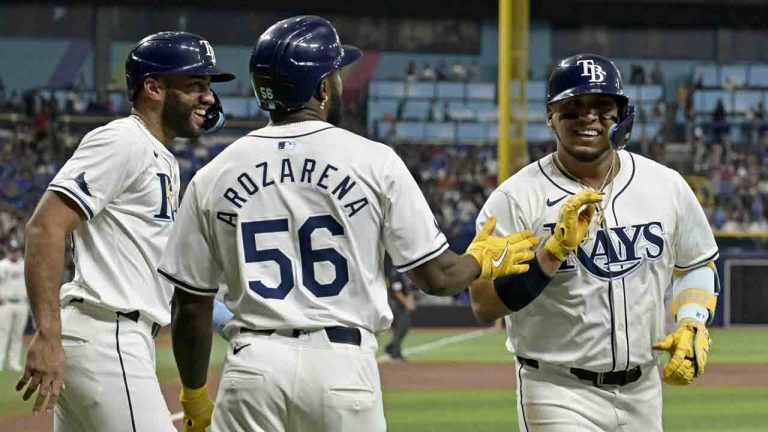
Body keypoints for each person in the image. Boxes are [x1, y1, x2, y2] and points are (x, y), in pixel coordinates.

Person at [158, 15, 539, 432]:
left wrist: (194, 396)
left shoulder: (215, 173)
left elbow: (191, 305)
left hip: (253, 368)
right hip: (340, 367)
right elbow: (438, 276)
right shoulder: (373, 161)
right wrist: (480, 260)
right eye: (335, 75)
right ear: (322, 88)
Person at [469, 54, 719, 431]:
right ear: (550, 116)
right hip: (556, 389)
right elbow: (483, 305)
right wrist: (550, 253)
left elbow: (697, 264)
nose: (588, 117)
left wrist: (692, 322)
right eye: (573, 108)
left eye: (603, 107)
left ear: (622, 115)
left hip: (643, 391)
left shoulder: (665, 185)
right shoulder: (516, 198)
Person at [14, 31, 234, 431]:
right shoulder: (123, 140)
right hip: (107, 335)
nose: (208, 97)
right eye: (195, 85)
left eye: (207, 87)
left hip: (116, 336)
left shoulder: (159, 154)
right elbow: (45, 226)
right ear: (152, 88)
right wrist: (47, 333)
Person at [0, 241, 27, 372]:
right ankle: (0, 360)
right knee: (2, 333)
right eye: (12, 251)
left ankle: (14, 362)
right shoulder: (2, 265)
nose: (14, 253)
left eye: (16, 250)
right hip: (6, 303)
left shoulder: (24, 264)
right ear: (8, 251)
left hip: (22, 303)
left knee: (17, 334)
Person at [385, 269, 416, 361]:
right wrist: (407, 304)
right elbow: (396, 292)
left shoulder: (405, 273)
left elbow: (408, 291)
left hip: (401, 304)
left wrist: (409, 302)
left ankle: (392, 348)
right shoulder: (396, 273)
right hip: (394, 303)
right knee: (402, 327)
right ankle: (394, 351)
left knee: (403, 327)